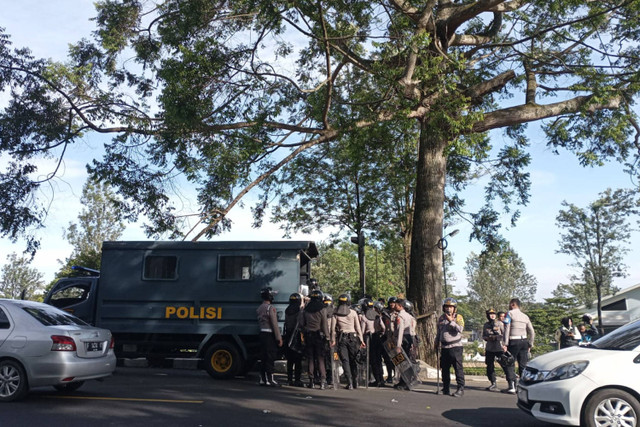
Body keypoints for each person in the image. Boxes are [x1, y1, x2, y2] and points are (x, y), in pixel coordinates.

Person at [331, 293, 365, 389]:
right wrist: (361, 340)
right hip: (353, 338)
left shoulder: (336, 312)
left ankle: (349, 382)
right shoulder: (353, 312)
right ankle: (355, 381)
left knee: (345, 360)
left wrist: (333, 340)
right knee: (354, 359)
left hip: (342, 338)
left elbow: (333, 329)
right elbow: (358, 328)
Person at [299, 289, 330, 389]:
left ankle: (311, 381)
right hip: (319, 336)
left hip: (309, 335)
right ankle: (322, 381)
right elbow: (324, 325)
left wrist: (305, 331)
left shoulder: (306, 309)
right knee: (320, 358)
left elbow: (301, 324)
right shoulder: (322, 309)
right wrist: (328, 337)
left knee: (311, 359)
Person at [503, 298, 535, 394]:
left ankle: (512, 386)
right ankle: (522, 386)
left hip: (513, 340)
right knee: (523, 365)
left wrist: (505, 343)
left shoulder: (509, 313)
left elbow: (507, 328)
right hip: (524, 341)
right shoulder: (525, 316)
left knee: (509, 362)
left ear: (513, 304)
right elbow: (532, 332)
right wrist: (530, 343)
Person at [436, 297, 465, 397]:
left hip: (455, 347)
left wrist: (451, 321)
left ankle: (460, 388)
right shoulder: (441, 318)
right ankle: (446, 387)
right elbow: (439, 332)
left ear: (454, 308)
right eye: (447, 307)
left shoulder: (458, 317)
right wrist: (436, 342)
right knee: (444, 368)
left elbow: (460, 329)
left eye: (451, 307)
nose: (449, 309)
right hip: (444, 347)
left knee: (458, 368)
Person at [257, 287, 283, 387]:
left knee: (262, 357)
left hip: (261, 334)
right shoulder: (270, 308)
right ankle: (270, 380)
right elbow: (274, 324)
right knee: (270, 357)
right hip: (269, 335)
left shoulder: (260, 308)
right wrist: (278, 338)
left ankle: (262, 379)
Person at [392, 298, 414, 390]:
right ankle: (405, 381)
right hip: (409, 338)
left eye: (396, 305)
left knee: (401, 362)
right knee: (405, 361)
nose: (394, 306)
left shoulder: (400, 316)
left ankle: (404, 382)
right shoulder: (409, 315)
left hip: (403, 339)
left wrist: (398, 345)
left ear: (400, 306)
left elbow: (400, 330)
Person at [284, 292, 304, 387]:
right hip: (296, 336)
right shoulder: (299, 311)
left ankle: (289, 379)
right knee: (297, 360)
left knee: (290, 360)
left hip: (288, 335)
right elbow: (301, 323)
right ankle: (297, 379)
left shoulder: (287, 310)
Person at [482, 308, 504, 391]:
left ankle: (511, 383)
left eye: (494, 314)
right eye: (490, 314)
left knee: (505, 365)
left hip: (499, 348)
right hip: (490, 348)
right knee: (489, 366)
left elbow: (505, 334)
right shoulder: (486, 325)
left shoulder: (500, 324)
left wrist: (496, 337)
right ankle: (493, 383)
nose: (492, 316)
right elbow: (483, 335)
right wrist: (487, 338)